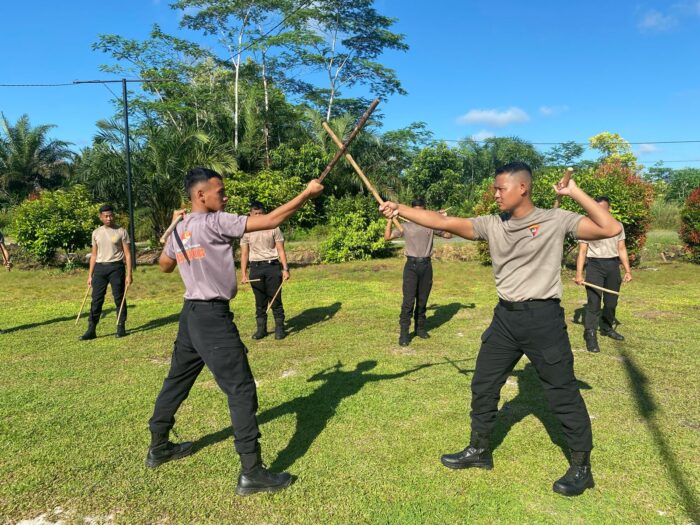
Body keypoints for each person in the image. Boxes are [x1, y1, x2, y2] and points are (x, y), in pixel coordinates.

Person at [380, 162, 621, 497]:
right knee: (483, 384)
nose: (494, 194)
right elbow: (444, 221)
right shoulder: (492, 224)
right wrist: (400, 209)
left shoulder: (556, 220)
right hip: (505, 318)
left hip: (544, 319)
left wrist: (574, 192)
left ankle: (581, 468)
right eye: (494, 189)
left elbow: (609, 228)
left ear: (523, 188)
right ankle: (479, 451)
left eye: (500, 188)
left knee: (562, 393)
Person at [146, 167, 323, 496]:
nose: (225, 197)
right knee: (241, 390)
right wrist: (306, 194)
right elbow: (269, 220)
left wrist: (173, 232)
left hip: (190, 316)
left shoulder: (181, 226)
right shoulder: (216, 221)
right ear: (201, 195)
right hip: (212, 317)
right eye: (220, 192)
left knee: (176, 380)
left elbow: (165, 265)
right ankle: (251, 472)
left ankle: (159, 446)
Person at [384, 198, 452, 346]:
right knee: (408, 302)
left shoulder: (431, 226)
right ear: (412, 211)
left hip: (426, 266)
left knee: (422, 301)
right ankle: (403, 334)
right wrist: (390, 219)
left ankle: (420, 329)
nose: (418, 215)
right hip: (411, 267)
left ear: (426, 211)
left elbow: (449, 235)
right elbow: (387, 237)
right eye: (415, 212)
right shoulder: (405, 226)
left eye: (421, 212)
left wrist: (443, 220)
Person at [574, 196, 631, 353]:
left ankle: (606, 327)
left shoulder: (618, 226)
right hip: (595, 266)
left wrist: (627, 270)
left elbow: (621, 249)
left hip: (613, 265)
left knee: (611, 302)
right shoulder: (587, 226)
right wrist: (579, 274)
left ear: (609, 209)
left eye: (602, 209)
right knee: (594, 303)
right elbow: (582, 251)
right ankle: (590, 333)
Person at [80, 204, 132, 340]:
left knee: (119, 298)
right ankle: (91, 330)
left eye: (111, 215)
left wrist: (129, 274)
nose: (109, 218)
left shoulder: (121, 231)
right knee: (96, 299)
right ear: (101, 217)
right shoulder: (96, 233)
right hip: (100, 268)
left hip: (116, 267)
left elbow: (127, 254)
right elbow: (93, 255)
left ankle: (121, 327)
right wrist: (90, 275)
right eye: (106, 216)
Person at [240, 201, 290, 340]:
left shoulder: (274, 227)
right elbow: (244, 253)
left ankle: (280, 329)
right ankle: (261, 330)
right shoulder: (246, 230)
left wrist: (285, 269)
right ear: (250, 214)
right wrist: (243, 274)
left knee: (275, 299)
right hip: (255, 268)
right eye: (255, 214)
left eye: (261, 213)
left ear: (265, 213)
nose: (258, 216)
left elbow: (280, 249)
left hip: (272, 267)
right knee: (260, 301)